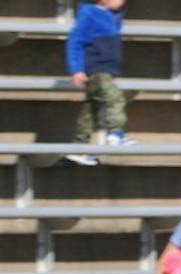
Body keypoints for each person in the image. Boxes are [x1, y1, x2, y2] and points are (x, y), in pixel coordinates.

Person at [64, 0, 130, 167]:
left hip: (107, 68)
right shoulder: (89, 14)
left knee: (90, 110)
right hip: (96, 69)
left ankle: (78, 148)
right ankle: (115, 132)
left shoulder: (114, 15)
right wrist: (76, 69)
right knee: (114, 97)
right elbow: (75, 41)